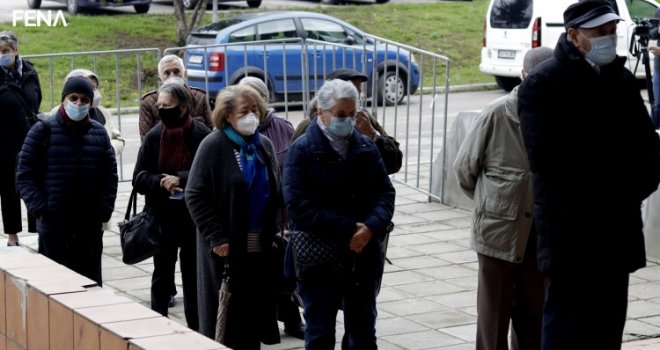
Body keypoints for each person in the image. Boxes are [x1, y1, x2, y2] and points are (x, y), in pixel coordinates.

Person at [517, 1, 660, 349]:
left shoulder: (622, 82)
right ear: (575, 36)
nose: (609, 39)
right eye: (600, 33)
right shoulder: (542, 85)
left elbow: (649, 155)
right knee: (566, 329)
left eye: (612, 32)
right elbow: (549, 161)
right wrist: (613, 179)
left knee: (608, 329)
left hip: (617, 230)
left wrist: (624, 193)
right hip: (571, 236)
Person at [283, 79, 395, 349]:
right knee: (320, 333)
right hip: (319, 257)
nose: (347, 121)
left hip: (362, 255)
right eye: (341, 115)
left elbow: (385, 193)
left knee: (363, 334)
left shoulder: (366, 148)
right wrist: (348, 228)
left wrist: (369, 228)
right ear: (321, 112)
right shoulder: (302, 150)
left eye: (352, 114)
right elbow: (297, 205)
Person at [454, 47, 553, 350]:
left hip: (539, 237)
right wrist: (495, 204)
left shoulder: (561, 117)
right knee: (493, 322)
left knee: (533, 321)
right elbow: (464, 171)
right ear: (522, 77)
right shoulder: (497, 114)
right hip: (497, 236)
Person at [186, 84, 281, 348]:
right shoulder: (213, 145)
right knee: (226, 320)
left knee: (253, 320)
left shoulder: (264, 145)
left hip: (258, 249)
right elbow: (195, 194)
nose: (251, 115)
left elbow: (276, 189)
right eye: (244, 111)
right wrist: (216, 236)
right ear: (227, 115)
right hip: (225, 250)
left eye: (255, 110)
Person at [16, 76, 118, 286]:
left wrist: (103, 210)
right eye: (73, 98)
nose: (78, 104)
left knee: (89, 288)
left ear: (90, 103)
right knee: (56, 291)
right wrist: (41, 210)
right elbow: (24, 175)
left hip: (88, 228)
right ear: (64, 100)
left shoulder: (99, 133)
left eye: (84, 100)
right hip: (54, 227)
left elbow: (110, 176)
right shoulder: (42, 131)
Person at [133, 82, 210, 331]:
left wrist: (182, 178)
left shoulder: (201, 135)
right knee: (161, 275)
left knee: (193, 276)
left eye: (168, 106)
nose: (162, 110)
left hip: (192, 217)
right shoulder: (155, 135)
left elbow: (209, 174)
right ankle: (159, 324)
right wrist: (160, 182)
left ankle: (196, 328)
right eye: (160, 106)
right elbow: (139, 178)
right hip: (162, 216)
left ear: (183, 107)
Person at [237, 76, 306, 340]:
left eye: (256, 102)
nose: (252, 109)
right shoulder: (233, 134)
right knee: (258, 273)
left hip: (282, 215)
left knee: (283, 270)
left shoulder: (284, 127)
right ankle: (265, 327)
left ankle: (291, 319)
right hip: (253, 219)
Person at [291, 68, 403, 175]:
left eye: (358, 95)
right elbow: (293, 178)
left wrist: (373, 136)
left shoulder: (363, 119)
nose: (355, 101)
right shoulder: (307, 128)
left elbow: (394, 162)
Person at [0, 31, 41, 247]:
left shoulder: (30, 71)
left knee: (35, 185)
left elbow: (36, 99)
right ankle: (12, 235)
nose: (2, 55)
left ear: (15, 51)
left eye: (5, 51)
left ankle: (38, 229)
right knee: (8, 190)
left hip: (31, 138)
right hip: (5, 143)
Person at [139, 54, 213, 141]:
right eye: (167, 73)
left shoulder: (201, 97)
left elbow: (210, 134)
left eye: (176, 71)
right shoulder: (148, 102)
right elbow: (146, 140)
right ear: (160, 78)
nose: (172, 76)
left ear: (184, 74)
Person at [56, 69, 125, 159]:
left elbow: (118, 139)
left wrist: (110, 149)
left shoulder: (102, 113)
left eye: (95, 88)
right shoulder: (56, 114)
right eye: (90, 87)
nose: (94, 92)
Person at [648, 9, 660, 128]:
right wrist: (657, 30)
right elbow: (650, 33)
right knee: (657, 104)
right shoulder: (659, 11)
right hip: (659, 67)